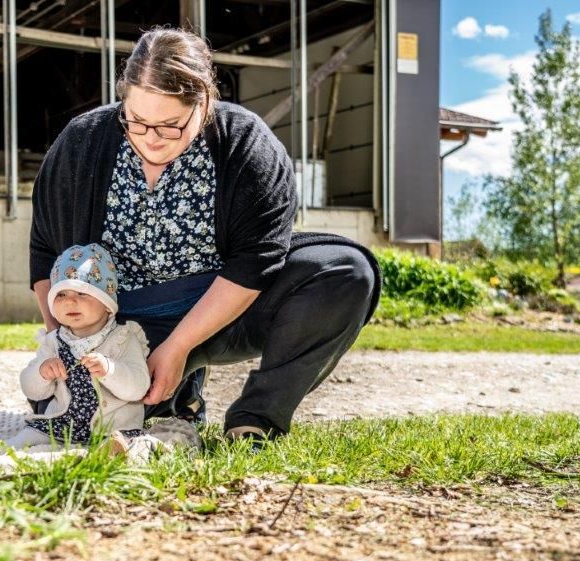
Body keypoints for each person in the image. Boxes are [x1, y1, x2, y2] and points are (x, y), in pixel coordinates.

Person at [28, 27, 381, 448]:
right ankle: (175, 400)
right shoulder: (83, 140)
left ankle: (256, 418)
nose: (151, 139)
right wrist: (65, 346)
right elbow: (45, 250)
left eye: (170, 125)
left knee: (346, 272)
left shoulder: (247, 143)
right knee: (95, 420)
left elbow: (257, 260)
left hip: (222, 308)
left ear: (205, 102)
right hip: (120, 328)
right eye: (136, 121)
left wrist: (179, 347)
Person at [0, 243, 150, 457]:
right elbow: (31, 389)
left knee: (125, 443)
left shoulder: (123, 338)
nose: (70, 301)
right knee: (29, 434)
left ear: (107, 303)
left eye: (82, 293)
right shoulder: (54, 342)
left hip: (113, 427)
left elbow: (139, 387)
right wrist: (42, 373)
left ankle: (110, 453)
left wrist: (110, 370)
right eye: (61, 294)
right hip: (62, 425)